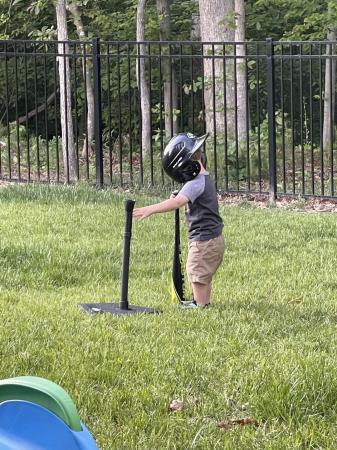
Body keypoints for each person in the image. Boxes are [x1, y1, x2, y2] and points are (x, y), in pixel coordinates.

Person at [133, 132, 224, 308]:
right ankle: (204, 303)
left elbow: (177, 202)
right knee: (203, 273)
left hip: (203, 240)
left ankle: (198, 305)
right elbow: (187, 195)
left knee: (196, 270)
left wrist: (149, 209)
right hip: (214, 238)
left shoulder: (194, 184)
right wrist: (181, 193)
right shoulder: (204, 178)